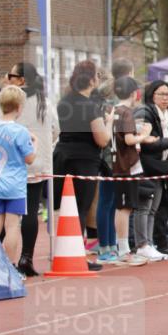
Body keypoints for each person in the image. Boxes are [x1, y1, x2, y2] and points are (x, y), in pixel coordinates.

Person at [0, 61, 58, 276]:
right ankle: (25, 258)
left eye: (11, 75)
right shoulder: (44, 102)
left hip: (2, 169)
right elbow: (56, 129)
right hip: (34, 164)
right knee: (28, 213)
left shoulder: (4, 101)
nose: (7, 78)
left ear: (21, 80)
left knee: (0, 219)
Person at [53, 60, 113, 272]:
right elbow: (102, 140)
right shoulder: (90, 106)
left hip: (62, 156)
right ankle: (75, 255)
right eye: (96, 75)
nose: (98, 79)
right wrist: (110, 122)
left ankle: (61, 251)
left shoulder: (64, 102)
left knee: (63, 207)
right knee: (80, 208)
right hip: (84, 160)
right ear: (90, 80)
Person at [135, 80, 168, 260]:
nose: (165, 98)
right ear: (151, 94)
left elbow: (161, 142)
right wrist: (167, 142)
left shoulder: (166, 116)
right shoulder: (145, 112)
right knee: (144, 207)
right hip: (147, 166)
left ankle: (149, 243)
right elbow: (143, 141)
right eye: (161, 94)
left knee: (153, 209)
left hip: (161, 167)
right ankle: (142, 244)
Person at [111, 76, 153, 266]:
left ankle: (123, 248)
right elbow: (128, 140)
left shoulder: (115, 110)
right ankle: (124, 250)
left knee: (123, 207)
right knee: (124, 208)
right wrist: (143, 135)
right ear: (134, 93)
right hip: (126, 166)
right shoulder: (126, 112)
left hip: (119, 163)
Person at [0, 85, 36, 268]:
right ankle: (10, 267)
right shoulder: (20, 131)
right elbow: (30, 158)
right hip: (15, 187)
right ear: (19, 108)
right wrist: (35, 142)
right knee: (12, 227)